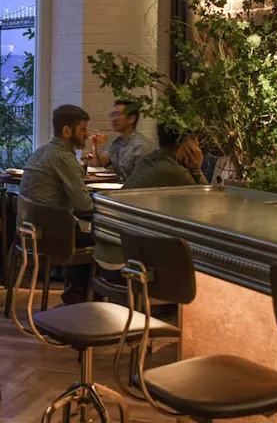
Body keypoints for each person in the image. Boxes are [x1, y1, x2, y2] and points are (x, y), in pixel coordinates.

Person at [97, 124, 207, 282]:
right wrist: (196, 169)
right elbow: (206, 206)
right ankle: (167, 305)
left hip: (107, 253)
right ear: (187, 143)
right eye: (196, 142)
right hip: (127, 263)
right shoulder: (173, 171)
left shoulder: (147, 160)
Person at [19, 104, 93, 305]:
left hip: (31, 232)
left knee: (84, 231)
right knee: (104, 237)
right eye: (83, 129)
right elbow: (84, 207)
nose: (86, 135)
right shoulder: (63, 158)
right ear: (67, 131)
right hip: (53, 237)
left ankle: (77, 292)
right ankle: (84, 296)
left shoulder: (41, 152)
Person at [123, 124, 208, 190]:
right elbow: (205, 201)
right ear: (187, 141)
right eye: (195, 140)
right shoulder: (175, 172)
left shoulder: (147, 160)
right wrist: (196, 170)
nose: (197, 144)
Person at [87, 100, 154, 180]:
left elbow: (143, 178)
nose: (114, 119)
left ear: (132, 119)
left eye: (118, 114)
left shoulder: (142, 145)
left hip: (135, 189)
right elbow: (98, 166)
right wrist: (94, 145)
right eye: (113, 115)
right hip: (121, 188)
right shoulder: (116, 142)